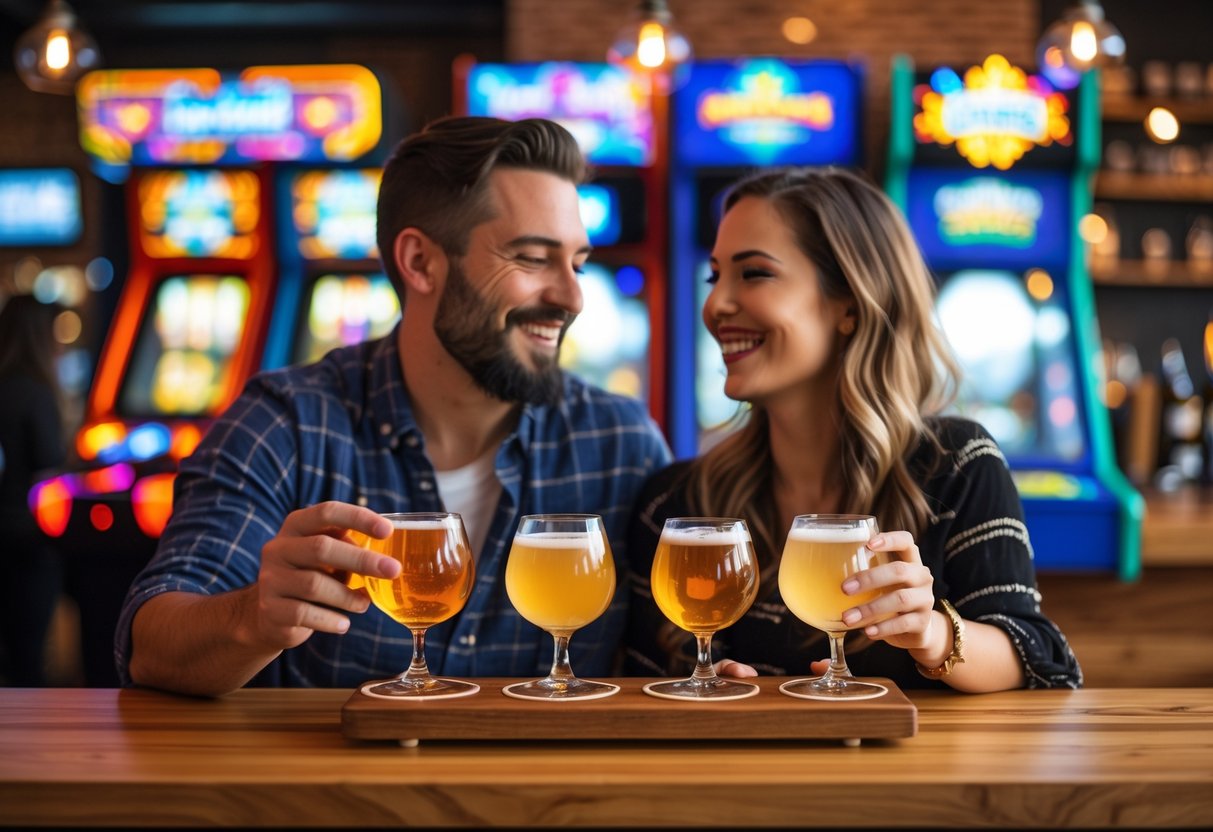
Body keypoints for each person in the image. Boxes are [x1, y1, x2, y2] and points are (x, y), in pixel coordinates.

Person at [116, 116, 672, 696]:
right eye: (533, 258)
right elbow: (150, 649)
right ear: (421, 262)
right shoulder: (286, 424)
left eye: (577, 263)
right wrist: (253, 616)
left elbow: (678, 659)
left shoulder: (620, 443)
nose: (573, 297)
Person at [624, 167, 1081, 692]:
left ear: (850, 303)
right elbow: (646, 683)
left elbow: (1039, 660)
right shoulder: (674, 506)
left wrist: (930, 632)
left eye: (753, 274)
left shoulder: (956, 463)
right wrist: (711, 686)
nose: (714, 305)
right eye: (714, 277)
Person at [0, 294, 67, 686]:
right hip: (28, 538)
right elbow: (49, 465)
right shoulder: (36, 391)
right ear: (39, 336)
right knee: (28, 660)